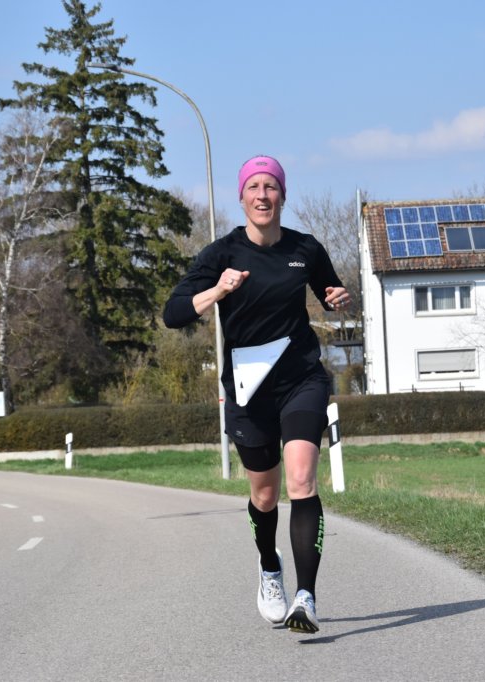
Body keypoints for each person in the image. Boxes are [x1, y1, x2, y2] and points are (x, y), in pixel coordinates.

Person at [162, 155, 350, 634]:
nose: (263, 195)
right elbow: (173, 313)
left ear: (282, 195)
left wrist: (336, 298)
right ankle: (269, 566)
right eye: (254, 187)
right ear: (241, 197)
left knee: (301, 480)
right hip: (248, 390)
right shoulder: (221, 254)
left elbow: (329, 290)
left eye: (271, 186)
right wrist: (217, 292)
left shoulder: (305, 248)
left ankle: (306, 598)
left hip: (301, 378)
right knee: (264, 495)